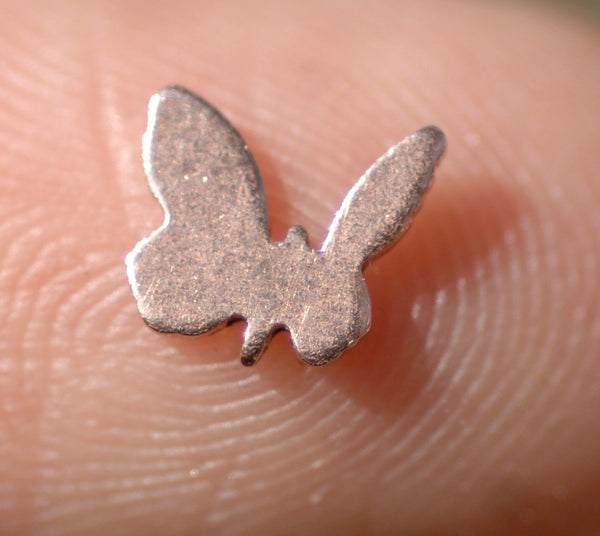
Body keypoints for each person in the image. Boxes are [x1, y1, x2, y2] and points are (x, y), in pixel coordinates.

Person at [0, 1, 598, 534]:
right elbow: (372, 212)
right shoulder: (332, 265)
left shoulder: (311, 270)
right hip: (235, 283)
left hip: (233, 281)